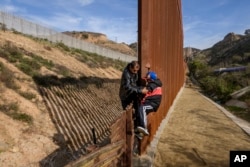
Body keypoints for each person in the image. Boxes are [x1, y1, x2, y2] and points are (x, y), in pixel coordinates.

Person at [136, 71, 162, 136]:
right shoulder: (155, 83)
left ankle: (144, 128)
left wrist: (136, 89)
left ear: (150, 78)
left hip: (153, 104)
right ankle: (140, 133)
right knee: (140, 113)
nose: (146, 81)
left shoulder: (153, 84)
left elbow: (145, 91)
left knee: (143, 108)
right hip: (150, 102)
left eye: (147, 79)